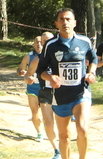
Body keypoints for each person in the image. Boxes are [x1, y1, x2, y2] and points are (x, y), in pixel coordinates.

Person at [36, 9, 97, 159]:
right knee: (64, 137)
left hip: (81, 93)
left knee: (82, 129)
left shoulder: (84, 41)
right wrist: (50, 78)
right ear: (56, 24)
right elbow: (41, 70)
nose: (65, 22)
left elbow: (94, 59)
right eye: (62, 19)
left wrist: (92, 73)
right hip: (60, 96)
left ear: (75, 23)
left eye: (68, 19)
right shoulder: (50, 45)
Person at [23, 31, 61, 159]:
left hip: (63, 93)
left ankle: (64, 144)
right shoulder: (37, 59)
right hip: (45, 92)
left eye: (48, 40)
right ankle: (56, 150)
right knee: (49, 123)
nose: (45, 43)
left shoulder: (63, 54)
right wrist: (28, 78)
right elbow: (28, 74)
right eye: (43, 41)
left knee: (62, 124)